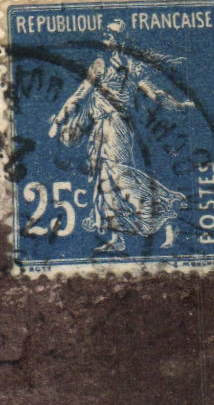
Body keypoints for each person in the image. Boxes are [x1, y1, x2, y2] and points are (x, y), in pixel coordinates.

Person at [49, 20, 196, 253]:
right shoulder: (100, 65)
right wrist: (59, 120)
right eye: (106, 32)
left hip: (116, 127)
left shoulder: (132, 66)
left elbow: (154, 93)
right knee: (104, 181)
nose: (106, 36)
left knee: (120, 177)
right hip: (100, 128)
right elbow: (80, 94)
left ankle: (168, 213)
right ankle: (117, 239)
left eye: (111, 33)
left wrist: (179, 106)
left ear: (121, 40)